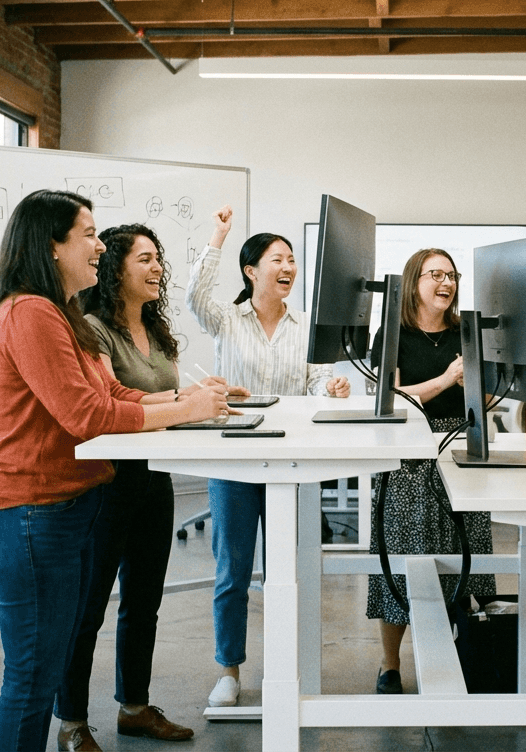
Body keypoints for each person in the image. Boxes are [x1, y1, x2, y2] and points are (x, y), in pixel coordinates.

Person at [0, 190, 229, 752]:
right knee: (32, 682)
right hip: (30, 516)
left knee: (42, 672)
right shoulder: (30, 312)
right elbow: (88, 416)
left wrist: (186, 401)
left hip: (62, 512)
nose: (99, 247)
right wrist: (185, 410)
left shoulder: (61, 315)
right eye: (88, 234)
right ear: (51, 245)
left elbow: (112, 393)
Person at [54, 224, 232, 751]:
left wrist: (194, 394)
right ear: (116, 269)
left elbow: (151, 395)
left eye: (158, 259)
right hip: (108, 484)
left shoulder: (154, 329)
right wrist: (186, 405)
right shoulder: (93, 328)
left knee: (143, 602)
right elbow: (109, 401)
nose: (157, 269)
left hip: (154, 478)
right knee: (88, 608)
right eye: (145, 259)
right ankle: (71, 722)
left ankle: (134, 707)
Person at [186, 204, 351, 710]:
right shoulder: (225, 320)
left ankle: (287, 666)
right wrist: (218, 236)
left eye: (292, 260)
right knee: (232, 571)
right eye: (277, 259)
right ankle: (229, 671)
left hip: (290, 462)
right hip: (234, 459)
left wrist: (330, 387)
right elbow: (194, 295)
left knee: (288, 572)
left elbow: (315, 380)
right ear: (251, 271)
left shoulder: (306, 326)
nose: (288, 268)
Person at [366, 247, 496, 695]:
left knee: (464, 557)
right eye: (435, 274)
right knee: (402, 561)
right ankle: (390, 664)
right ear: (413, 282)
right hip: (408, 456)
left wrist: (476, 382)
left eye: (452, 275)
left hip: (462, 448)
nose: (446, 283)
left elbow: (488, 397)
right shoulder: (393, 334)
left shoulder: (466, 332)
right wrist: (444, 380)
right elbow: (390, 398)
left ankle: (460, 658)